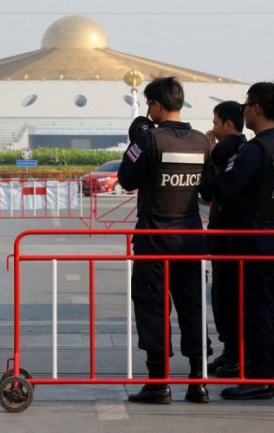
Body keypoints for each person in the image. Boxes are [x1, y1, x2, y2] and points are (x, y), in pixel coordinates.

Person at [118, 77, 211, 404]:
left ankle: (158, 383)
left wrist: (135, 143)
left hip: (154, 239)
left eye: (149, 104)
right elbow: (209, 191)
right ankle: (198, 382)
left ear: (156, 105)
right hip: (190, 238)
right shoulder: (202, 142)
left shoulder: (150, 140)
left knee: (152, 308)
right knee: (193, 308)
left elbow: (126, 180)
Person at [217, 82, 274, 400]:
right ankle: (272, 373)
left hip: (251, 240)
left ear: (255, 108)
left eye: (246, 105)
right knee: (270, 308)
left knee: (254, 309)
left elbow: (227, 192)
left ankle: (259, 377)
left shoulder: (254, 150)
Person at [199, 101, 247, 378]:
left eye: (216, 123)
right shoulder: (240, 150)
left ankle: (237, 355)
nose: (213, 129)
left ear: (229, 124)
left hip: (231, 235)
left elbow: (209, 190)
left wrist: (209, 158)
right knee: (223, 297)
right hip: (225, 235)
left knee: (230, 298)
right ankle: (230, 351)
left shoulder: (231, 151)